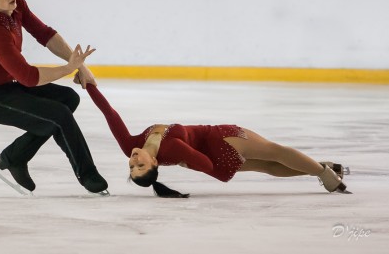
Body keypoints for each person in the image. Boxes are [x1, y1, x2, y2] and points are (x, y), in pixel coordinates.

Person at [83, 79, 349, 198]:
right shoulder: (172, 148)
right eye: (140, 166)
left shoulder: (129, 145)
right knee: (274, 152)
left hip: (215, 151)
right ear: (154, 162)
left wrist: (89, 84)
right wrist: (189, 160)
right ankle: (324, 174)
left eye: (132, 166)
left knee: (269, 165)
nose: (133, 161)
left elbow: (110, 114)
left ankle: (317, 168)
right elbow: (206, 166)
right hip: (218, 142)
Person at [0, 0, 108, 194]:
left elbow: (44, 34)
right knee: (58, 115)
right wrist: (68, 68)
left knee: (67, 98)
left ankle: (15, 157)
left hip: (8, 88)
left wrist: (81, 67)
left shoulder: (14, 5)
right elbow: (28, 77)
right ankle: (88, 175)